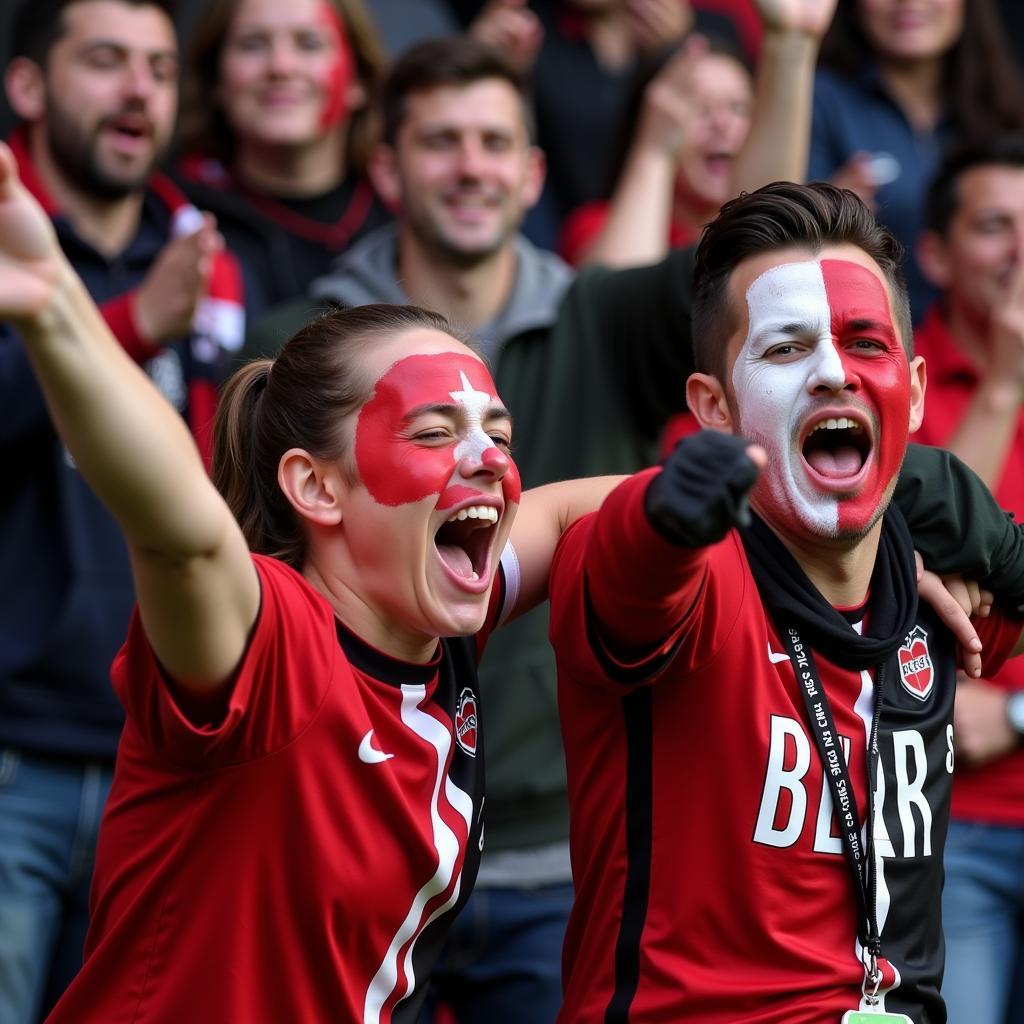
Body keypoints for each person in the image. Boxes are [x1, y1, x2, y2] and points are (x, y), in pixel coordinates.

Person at [248, 21, 834, 1020]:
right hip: (348, 842)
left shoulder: (592, 317)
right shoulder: (298, 350)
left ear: (531, 174)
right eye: (440, 142)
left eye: (491, 144)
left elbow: (760, 263)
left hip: (554, 855)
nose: (469, 167)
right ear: (384, 169)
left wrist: (787, 45)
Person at [0, 134, 629, 1021]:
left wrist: (802, 491)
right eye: (434, 432)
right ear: (316, 487)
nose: (488, 459)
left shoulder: (435, 618)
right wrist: (56, 306)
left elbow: (569, 515)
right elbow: (179, 534)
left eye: (498, 430)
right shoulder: (274, 642)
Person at [548, 181, 1024, 1022]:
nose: (834, 372)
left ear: (912, 392)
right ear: (714, 408)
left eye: (865, 343)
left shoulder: (938, 597)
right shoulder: (688, 575)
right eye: (784, 350)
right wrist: (668, 512)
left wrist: (988, 540)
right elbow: (636, 567)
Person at [0, 2, 241, 1019]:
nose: (140, 88)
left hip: (170, 762)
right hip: (11, 758)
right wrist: (129, 327)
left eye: (157, 67)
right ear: (26, 87)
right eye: (105, 61)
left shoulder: (207, 258)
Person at [913, 137, 1024, 1024]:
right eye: (996, 228)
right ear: (937, 254)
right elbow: (933, 559)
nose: (1022, 252)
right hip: (948, 830)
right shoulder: (890, 381)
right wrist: (1005, 384)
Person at [173, 0, 391, 318]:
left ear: (359, 81)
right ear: (216, 80)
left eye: (308, 43)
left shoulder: (406, 213)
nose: (281, 66)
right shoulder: (170, 214)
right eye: (253, 44)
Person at [810, 0, 1024, 322]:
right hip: (864, 341)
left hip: (993, 342)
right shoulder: (818, 99)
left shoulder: (1005, 100)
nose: (908, 2)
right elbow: (761, 224)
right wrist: (820, 217)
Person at [558, 36, 753, 267]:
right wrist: (654, 153)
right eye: (698, 108)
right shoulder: (595, 226)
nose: (722, 123)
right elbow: (622, 297)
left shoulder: (784, 226)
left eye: (738, 107)